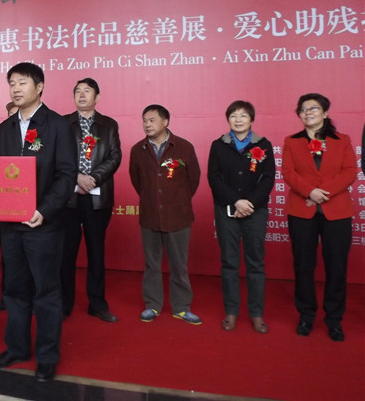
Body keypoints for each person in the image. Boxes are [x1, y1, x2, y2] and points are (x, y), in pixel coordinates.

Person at [0, 62, 77, 383]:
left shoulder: (58, 125)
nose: (15, 88)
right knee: (14, 289)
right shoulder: (5, 128)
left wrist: (45, 210)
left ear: (39, 87)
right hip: (10, 224)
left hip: (43, 225)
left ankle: (47, 356)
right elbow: (2, 169)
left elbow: (67, 175)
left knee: (46, 291)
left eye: (22, 82)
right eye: (12, 83)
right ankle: (17, 348)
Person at [282, 93, 357, 342]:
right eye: (303, 109)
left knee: (337, 266)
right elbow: (288, 172)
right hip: (301, 211)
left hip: (337, 211)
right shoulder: (292, 141)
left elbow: (350, 171)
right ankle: (306, 315)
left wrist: (322, 193)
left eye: (314, 108)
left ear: (325, 113)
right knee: (303, 265)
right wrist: (310, 192)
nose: (308, 112)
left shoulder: (342, 140)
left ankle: (334, 320)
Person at [129, 104, 202, 325]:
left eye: (152, 120)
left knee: (179, 264)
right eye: (144, 120)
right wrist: (153, 200)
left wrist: (176, 200)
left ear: (165, 122)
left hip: (178, 216)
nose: (147, 124)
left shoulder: (184, 147)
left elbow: (193, 179)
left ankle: (181, 307)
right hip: (150, 215)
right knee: (152, 264)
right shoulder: (138, 150)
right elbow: (137, 180)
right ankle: (152, 305)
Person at [207, 101, 274, 333]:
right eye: (233, 115)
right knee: (229, 262)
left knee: (255, 263)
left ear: (251, 120)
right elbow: (214, 178)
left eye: (243, 115)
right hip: (226, 210)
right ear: (228, 119)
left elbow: (268, 178)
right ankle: (231, 311)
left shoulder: (263, 145)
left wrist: (249, 203)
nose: (238, 120)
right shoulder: (218, 145)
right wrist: (235, 201)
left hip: (256, 211)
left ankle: (256, 314)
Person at [61, 78, 122, 322]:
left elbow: (115, 156)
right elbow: (57, 156)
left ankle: (97, 304)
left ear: (97, 97)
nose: (82, 95)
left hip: (98, 197)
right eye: (78, 91)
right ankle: (63, 303)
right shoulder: (63, 123)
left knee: (96, 252)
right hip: (68, 197)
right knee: (66, 253)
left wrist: (94, 178)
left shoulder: (109, 124)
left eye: (87, 91)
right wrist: (76, 177)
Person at [0, 101, 20, 313]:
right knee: (8, 255)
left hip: (32, 206)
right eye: (11, 115)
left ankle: (31, 296)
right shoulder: (0, 140)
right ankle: (6, 295)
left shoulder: (37, 140)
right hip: (6, 204)